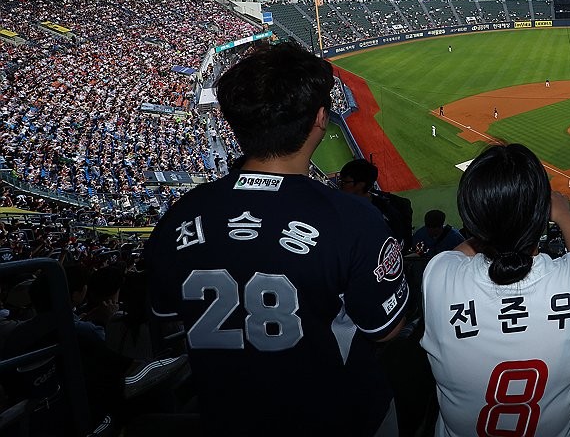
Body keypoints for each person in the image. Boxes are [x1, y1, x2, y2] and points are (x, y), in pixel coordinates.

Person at [145, 43, 408, 436]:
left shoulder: (180, 215)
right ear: (320, 118)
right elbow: (385, 328)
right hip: (342, 416)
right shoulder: (353, 217)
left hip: (227, 417)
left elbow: (168, 319)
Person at [421, 144, 570, 437]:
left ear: (472, 217)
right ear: (541, 215)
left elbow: (457, 256)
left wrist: (496, 219)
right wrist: (563, 215)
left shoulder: (437, 277)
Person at [340, 158, 415, 251]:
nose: (340, 185)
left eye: (345, 182)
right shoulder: (342, 204)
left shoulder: (385, 211)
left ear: (361, 184)